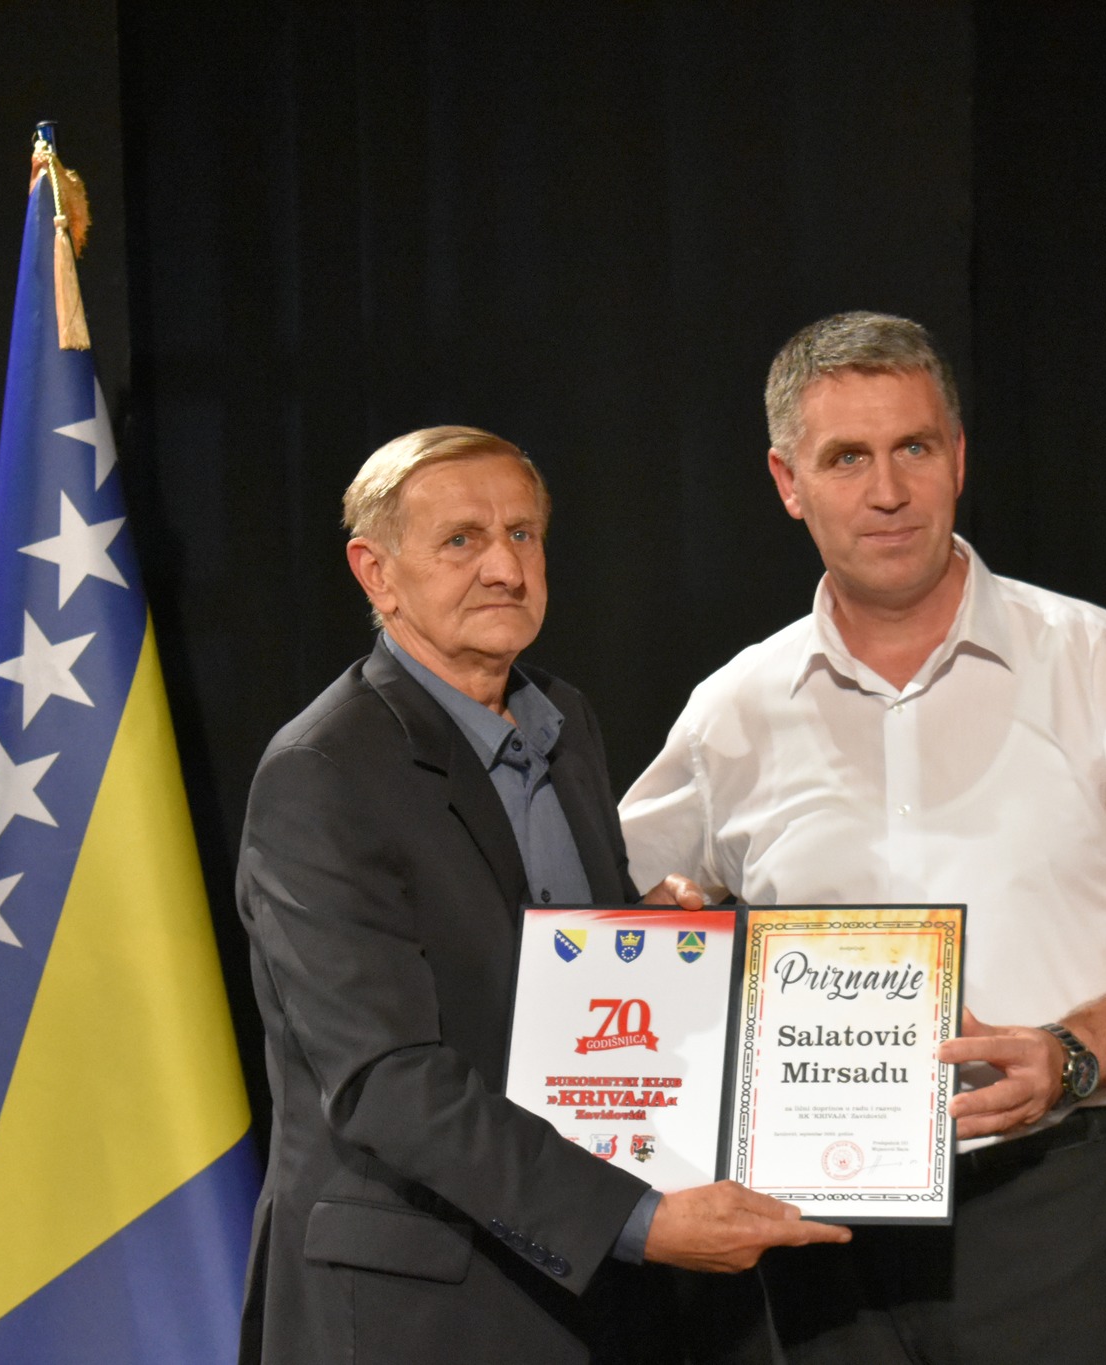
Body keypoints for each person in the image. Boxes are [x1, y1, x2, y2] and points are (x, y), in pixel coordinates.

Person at [619, 313, 1106, 1362]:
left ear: (958, 459)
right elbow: (624, 931)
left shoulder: (1101, 665)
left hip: (1055, 1209)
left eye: (913, 448)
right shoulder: (730, 711)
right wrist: (666, 936)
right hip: (817, 1235)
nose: (887, 491)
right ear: (787, 482)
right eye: (846, 458)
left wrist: (1069, 1055)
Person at [234, 426, 848, 1365]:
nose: (504, 567)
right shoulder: (323, 772)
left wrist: (650, 940)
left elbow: (542, 978)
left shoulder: (562, 720)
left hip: (583, 1289)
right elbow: (386, 1081)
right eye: (461, 540)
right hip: (421, 1309)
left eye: (522, 534)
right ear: (376, 573)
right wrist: (638, 1220)